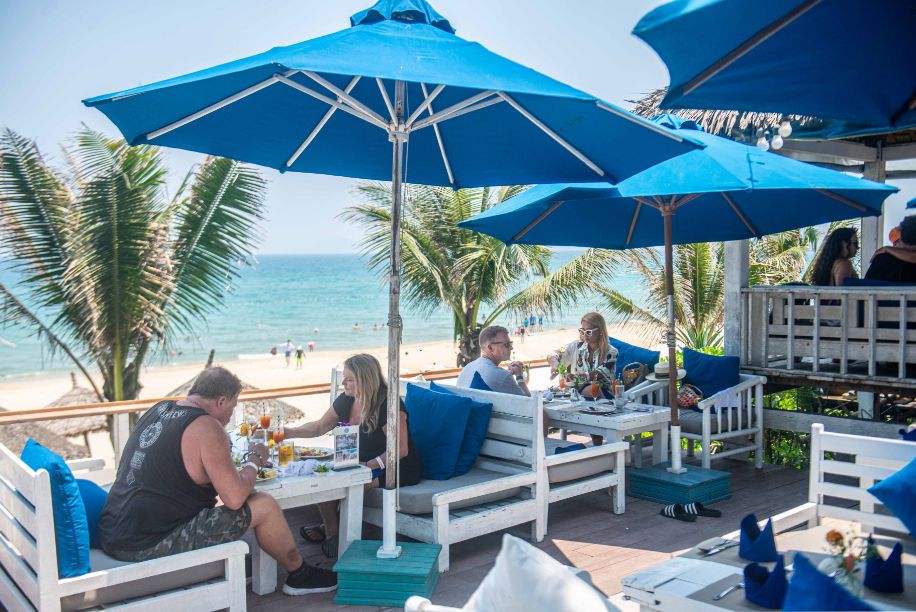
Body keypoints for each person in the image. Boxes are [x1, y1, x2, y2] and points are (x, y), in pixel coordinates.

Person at [98, 367, 336, 595]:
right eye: (232, 409)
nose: (230, 416)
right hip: (148, 543)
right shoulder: (207, 426)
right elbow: (234, 498)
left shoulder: (159, 409)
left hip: (112, 531)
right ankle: (299, 574)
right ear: (221, 401)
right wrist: (254, 460)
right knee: (264, 505)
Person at [285, 354, 422, 557]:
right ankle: (333, 534)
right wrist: (288, 432)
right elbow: (320, 426)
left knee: (350, 484)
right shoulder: (347, 400)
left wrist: (367, 465)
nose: (343, 383)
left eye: (349, 379)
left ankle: (338, 537)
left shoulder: (389, 404)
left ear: (365, 380)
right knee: (323, 480)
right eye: (344, 378)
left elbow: (400, 450)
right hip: (359, 463)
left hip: (395, 467)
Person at [457, 325, 530, 396]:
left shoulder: (467, 367)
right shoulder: (502, 376)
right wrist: (519, 376)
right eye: (507, 344)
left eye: (510, 343)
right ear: (490, 348)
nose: (511, 348)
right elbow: (528, 402)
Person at [867, 216, 916, 282]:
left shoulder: (884, 258)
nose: (894, 245)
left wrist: (887, 249)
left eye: (897, 241)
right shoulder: (885, 257)